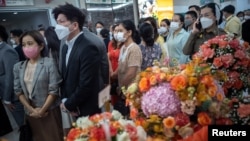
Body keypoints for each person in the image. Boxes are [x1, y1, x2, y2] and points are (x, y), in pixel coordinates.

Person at [52, 3, 109, 117]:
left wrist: (69, 104)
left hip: (87, 106)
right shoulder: (65, 47)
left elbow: (86, 84)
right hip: (72, 104)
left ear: (75, 25)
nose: (58, 26)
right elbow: (64, 77)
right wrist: (65, 100)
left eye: (62, 22)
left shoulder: (88, 47)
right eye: (57, 22)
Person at [13, 30, 63, 141]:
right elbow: (18, 90)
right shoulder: (18, 67)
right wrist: (31, 109)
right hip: (30, 113)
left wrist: (42, 110)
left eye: (30, 43)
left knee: (54, 137)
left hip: (49, 111)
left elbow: (53, 89)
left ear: (40, 46)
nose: (26, 47)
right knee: (37, 137)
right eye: (23, 45)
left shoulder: (48, 63)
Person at [0, 25, 25, 137]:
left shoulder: (6, 51)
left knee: (24, 126)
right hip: (8, 95)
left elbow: (11, 76)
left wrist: (6, 98)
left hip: (13, 96)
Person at [115, 20, 142, 116]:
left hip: (132, 90)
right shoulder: (123, 47)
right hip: (125, 89)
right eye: (117, 31)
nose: (118, 34)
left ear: (129, 32)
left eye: (121, 31)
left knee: (133, 115)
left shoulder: (134, 49)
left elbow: (131, 72)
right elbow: (121, 66)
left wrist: (121, 86)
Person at [108, 24, 123, 106]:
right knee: (114, 100)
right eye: (115, 31)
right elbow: (108, 57)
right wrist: (111, 72)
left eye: (119, 31)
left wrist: (115, 73)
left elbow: (123, 61)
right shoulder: (111, 43)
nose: (117, 33)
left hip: (121, 72)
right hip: (112, 73)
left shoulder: (124, 44)